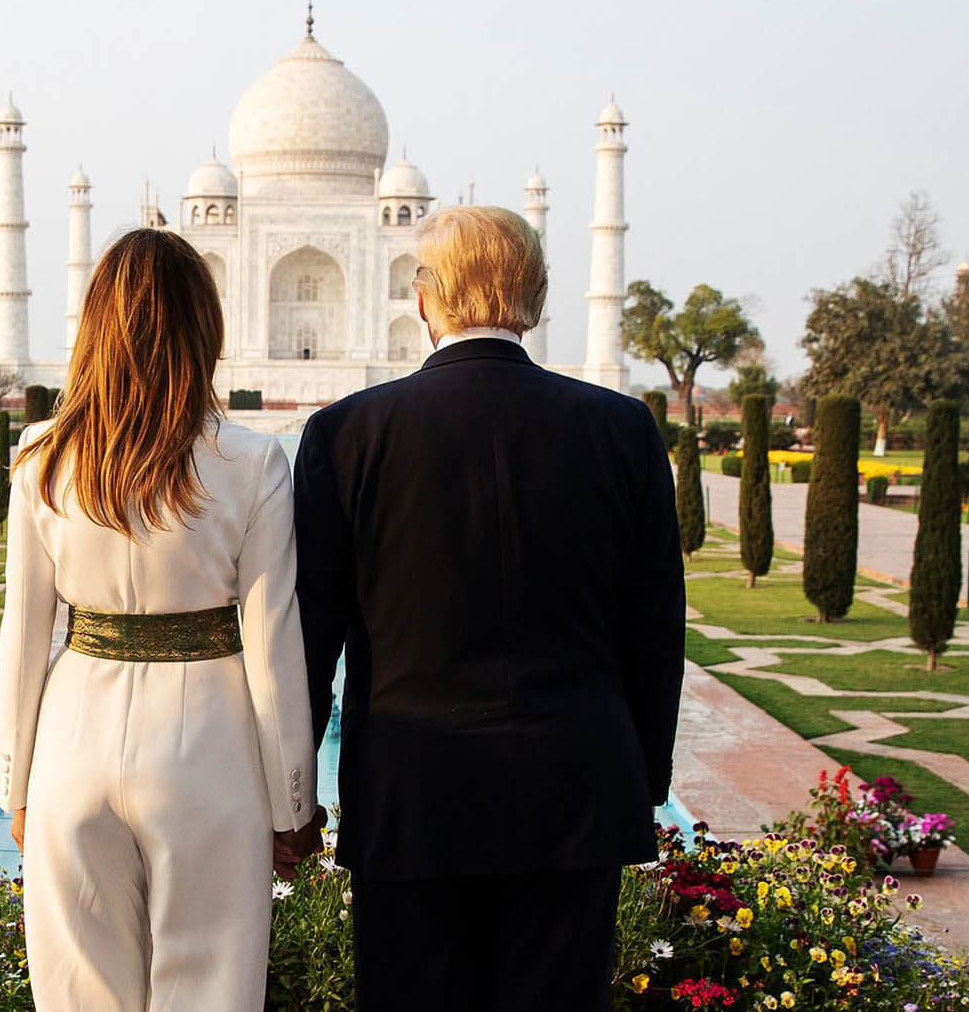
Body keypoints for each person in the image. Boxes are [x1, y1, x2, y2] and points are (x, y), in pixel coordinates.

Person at [291, 205, 685, 1010]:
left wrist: (293, 796)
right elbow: (655, 625)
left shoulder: (349, 433)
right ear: (534, 297)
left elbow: (310, 633)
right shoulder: (620, 428)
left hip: (412, 791)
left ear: (427, 295)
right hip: (576, 787)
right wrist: (642, 778)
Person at [0, 228, 323, 1012]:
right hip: (206, 752)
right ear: (204, 328)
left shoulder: (43, 455)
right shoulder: (248, 462)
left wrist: (17, 789)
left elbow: (22, 638)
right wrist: (293, 806)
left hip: (72, 747)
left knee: (81, 997)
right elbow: (272, 648)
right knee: (208, 991)